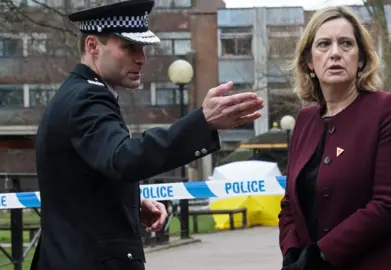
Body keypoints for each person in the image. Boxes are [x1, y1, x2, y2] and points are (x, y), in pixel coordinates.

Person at [31, 1, 263, 270]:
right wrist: (202, 123)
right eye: (129, 47)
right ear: (93, 46)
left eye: (142, 48)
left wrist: (127, 201)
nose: (141, 58)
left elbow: (82, 176)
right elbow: (122, 158)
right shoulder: (87, 98)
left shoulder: (76, 93)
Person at [278, 6, 391, 270]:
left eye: (346, 44)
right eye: (323, 44)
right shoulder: (304, 121)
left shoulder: (389, 109)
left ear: (361, 59)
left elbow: (389, 204)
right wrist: (292, 253)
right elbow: (289, 204)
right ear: (309, 62)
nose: (335, 53)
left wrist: (321, 255)